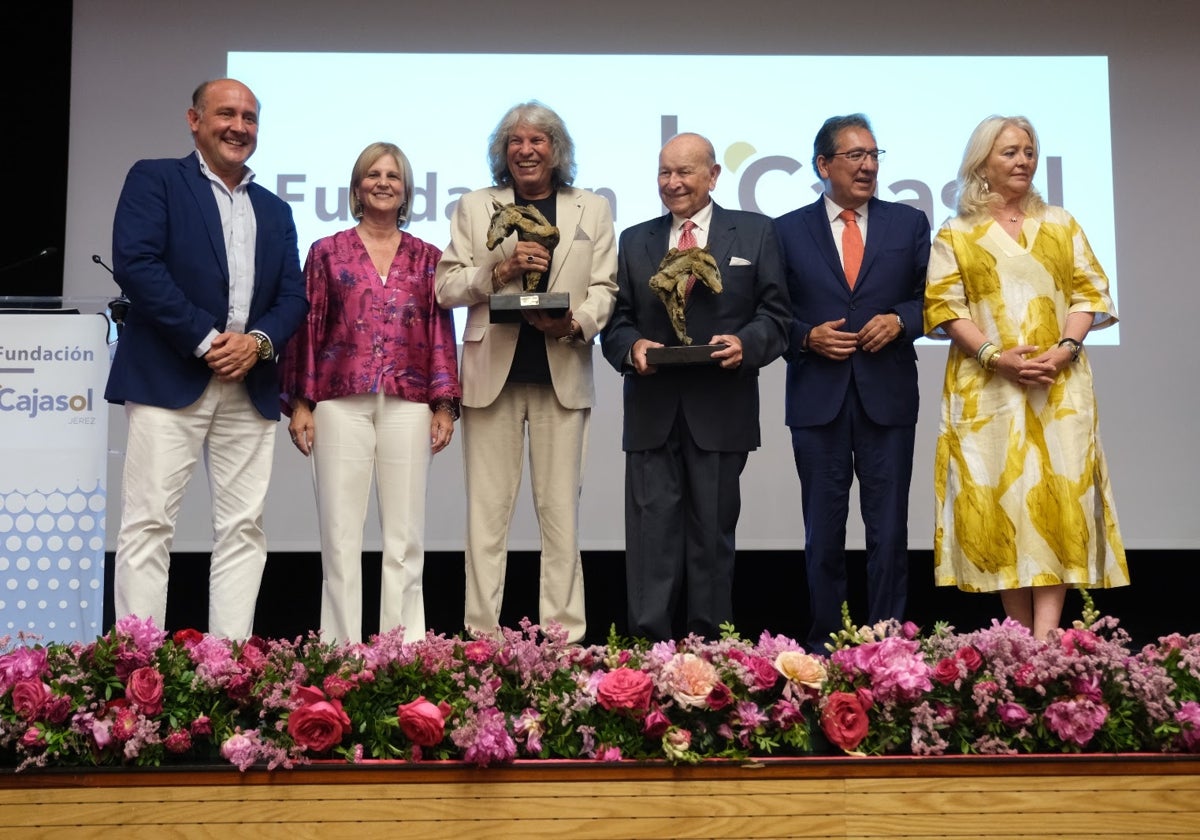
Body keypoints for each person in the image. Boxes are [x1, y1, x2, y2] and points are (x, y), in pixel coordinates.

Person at [105, 78, 308, 639]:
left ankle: (230, 665)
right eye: (226, 113)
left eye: (249, 117)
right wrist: (209, 340)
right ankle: (137, 662)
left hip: (251, 383)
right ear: (194, 120)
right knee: (148, 523)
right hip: (171, 375)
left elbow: (293, 296)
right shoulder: (156, 179)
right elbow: (138, 265)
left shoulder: (274, 209)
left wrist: (258, 343)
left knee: (243, 528)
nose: (238, 126)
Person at [923, 115, 1130, 640]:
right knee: (1000, 502)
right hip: (987, 388)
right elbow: (945, 307)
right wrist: (997, 356)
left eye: (1029, 151)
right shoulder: (957, 232)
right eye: (1010, 151)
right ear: (982, 162)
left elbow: (1090, 295)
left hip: (1058, 388)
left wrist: (1063, 350)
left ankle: (1047, 637)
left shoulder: (1061, 223)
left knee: (1058, 498)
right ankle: (1020, 641)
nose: (1023, 161)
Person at [435, 102, 617, 644]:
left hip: (562, 375)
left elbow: (606, 289)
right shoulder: (474, 206)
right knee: (486, 521)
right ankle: (481, 641)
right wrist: (501, 269)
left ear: (556, 150)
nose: (526, 149)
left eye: (538, 140)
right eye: (515, 141)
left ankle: (563, 645)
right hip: (491, 378)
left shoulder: (592, 209)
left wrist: (576, 322)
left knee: (561, 519)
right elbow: (447, 287)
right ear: (503, 153)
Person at [601, 132, 790, 641]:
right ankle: (646, 659)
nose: (672, 182)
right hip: (651, 412)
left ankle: (709, 659)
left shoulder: (754, 233)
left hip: (720, 411)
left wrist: (746, 345)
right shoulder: (635, 239)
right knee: (649, 543)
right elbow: (616, 321)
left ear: (713, 175)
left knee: (712, 541)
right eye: (664, 172)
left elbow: (777, 316)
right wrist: (631, 347)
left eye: (684, 172)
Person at [279, 142, 461, 645]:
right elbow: (306, 328)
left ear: (406, 191)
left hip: (409, 403)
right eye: (373, 175)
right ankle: (341, 653)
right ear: (357, 187)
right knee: (339, 537)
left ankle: (403, 650)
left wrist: (444, 405)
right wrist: (300, 403)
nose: (383, 182)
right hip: (338, 403)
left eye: (393, 176)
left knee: (405, 538)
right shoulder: (325, 252)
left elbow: (440, 331)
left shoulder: (428, 257)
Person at [774, 114, 931, 650]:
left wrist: (902, 320)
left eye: (874, 155)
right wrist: (805, 336)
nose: (868, 165)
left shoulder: (908, 224)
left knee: (888, 530)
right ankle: (826, 643)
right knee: (823, 532)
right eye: (854, 155)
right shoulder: (785, 229)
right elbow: (771, 314)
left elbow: (930, 300)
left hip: (886, 397)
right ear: (823, 165)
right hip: (819, 398)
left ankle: (888, 643)